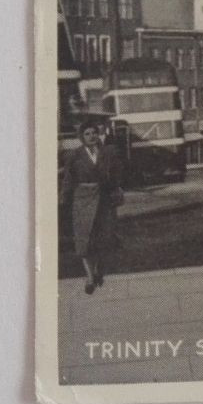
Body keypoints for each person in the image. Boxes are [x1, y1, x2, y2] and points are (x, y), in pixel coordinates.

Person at [59, 119, 124, 295]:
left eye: (94, 132)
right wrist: (64, 200)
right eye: (87, 133)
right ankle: (89, 278)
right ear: (82, 137)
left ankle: (98, 272)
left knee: (104, 239)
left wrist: (117, 190)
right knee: (85, 241)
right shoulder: (74, 155)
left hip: (104, 201)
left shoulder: (108, 153)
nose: (91, 136)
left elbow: (117, 175)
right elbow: (68, 180)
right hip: (83, 201)